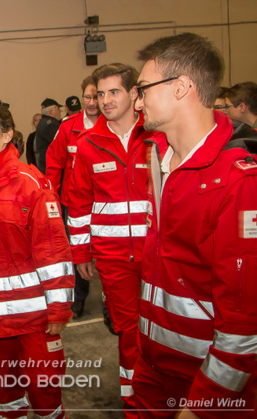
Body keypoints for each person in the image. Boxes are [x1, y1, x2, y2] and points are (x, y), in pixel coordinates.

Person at [133, 32, 257, 418]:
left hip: (203, 387)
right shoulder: (159, 160)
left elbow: (244, 332)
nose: (137, 100)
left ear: (182, 87)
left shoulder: (238, 183)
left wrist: (202, 407)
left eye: (143, 88)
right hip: (151, 370)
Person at [0, 104, 74, 419]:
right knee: (6, 394)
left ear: (7, 135)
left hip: (34, 319)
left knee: (44, 390)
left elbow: (53, 251)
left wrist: (59, 308)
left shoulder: (30, 183)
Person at [67, 63, 155, 416]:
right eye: (100, 93)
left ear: (135, 94)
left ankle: (166, 393)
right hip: (113, 257)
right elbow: (78, 203)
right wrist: (81, 251)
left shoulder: (156, 138)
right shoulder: (87, 145)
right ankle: (134, 400)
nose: (105, 100)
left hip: (157, 254)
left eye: (113, 92)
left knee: (162, 326)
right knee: (128, 330)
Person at [45, 75, 100, 319]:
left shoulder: (113, 126)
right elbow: (54, 163)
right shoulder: (68, 127)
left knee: (107, 252)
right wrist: (51, 197)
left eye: (96, 97)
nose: (91, 102)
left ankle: (112, 301)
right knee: (76, 252)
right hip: (73, 203)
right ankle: (78, 298)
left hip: (105, 201)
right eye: (87, 97)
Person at [34, 98, 63, 173]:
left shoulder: (43, 122)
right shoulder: (50, 125)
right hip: (50, 167)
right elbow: (60, 144)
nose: (60, 111)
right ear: (51, 111)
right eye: (58, 109)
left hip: (44, 165)